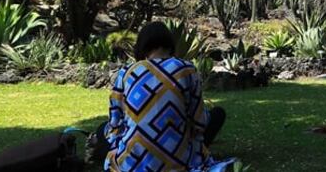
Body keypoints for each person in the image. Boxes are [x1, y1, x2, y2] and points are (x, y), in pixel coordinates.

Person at [99, 22, 234, 172]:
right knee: (216, 114)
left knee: (101, 130)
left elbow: (115, 123)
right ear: (169, 43)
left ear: (142, 46)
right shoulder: (186, 69)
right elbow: (199, 122)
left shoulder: (127, 72)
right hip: (178, 161)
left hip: (132, 165)